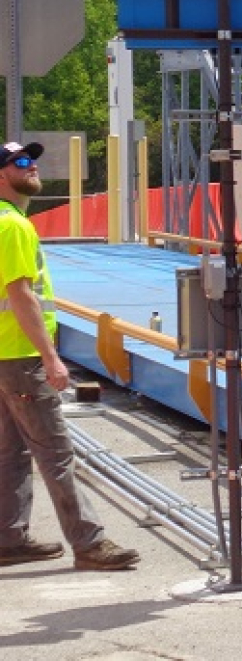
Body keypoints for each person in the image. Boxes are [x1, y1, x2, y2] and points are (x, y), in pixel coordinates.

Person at [0, 142, 140, 571]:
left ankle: (7, 539)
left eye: (32, 159)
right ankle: (90, 543)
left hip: (4, 356)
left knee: (9, 453)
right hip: (20, 356)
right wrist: (50, 357)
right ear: (3, 175)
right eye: (21, 162)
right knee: (55, 453)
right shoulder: (13, 227)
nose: (33, 166)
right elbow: (21, 296)